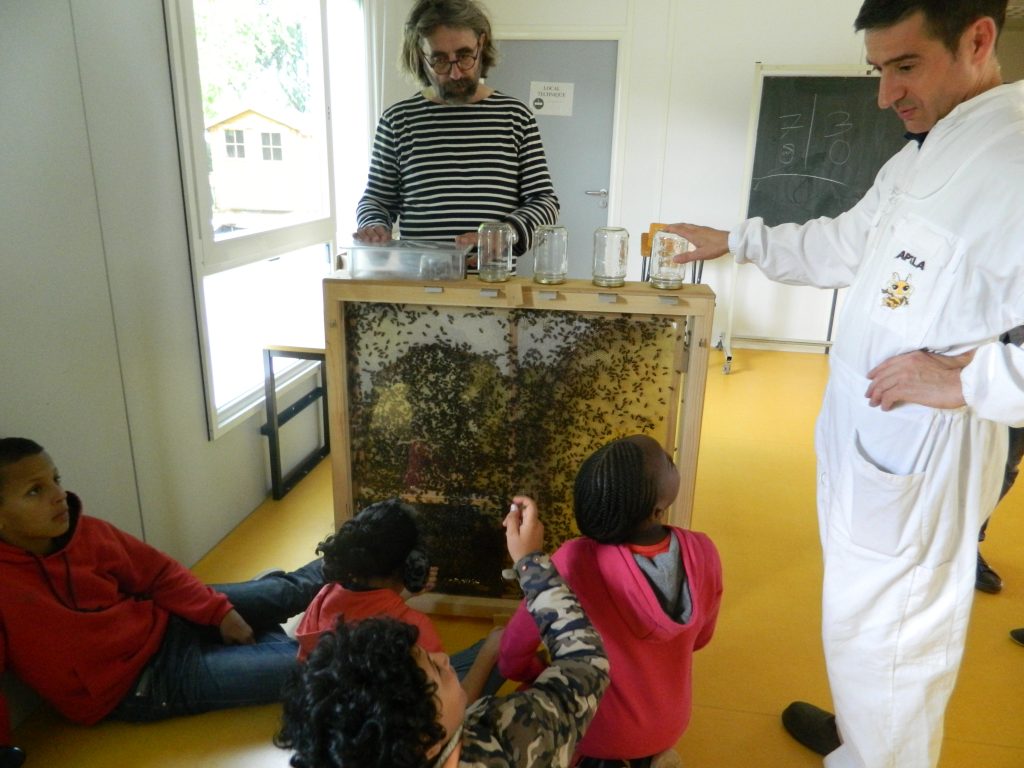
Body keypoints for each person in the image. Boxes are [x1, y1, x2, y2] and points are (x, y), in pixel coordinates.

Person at [665, 2, 1023, 766]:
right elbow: (843, 246)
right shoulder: (922, 155)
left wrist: (974, 380)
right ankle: (862, 737)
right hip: (868, 450)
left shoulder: (1016, 155)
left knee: (895, 644)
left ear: (978, 40)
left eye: (904, 67)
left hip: (921, 463)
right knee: (861, 626)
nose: (884, 95)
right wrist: (738, 240)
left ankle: (881, 756)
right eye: (878, 70)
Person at [0, 437, 324, 765]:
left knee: (286, 592)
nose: (57, 496)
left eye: (55, 480)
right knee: (313, 663)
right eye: (34, 491)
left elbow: (158, 573)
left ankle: (370, 541)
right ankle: (264, 620)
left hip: (168, 619)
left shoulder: (88, 532)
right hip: (148, 684)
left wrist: (220, 613)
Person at [275, 497, 610, 768]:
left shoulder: (324, 598)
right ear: (426, 736)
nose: (440, 657)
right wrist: (530, 563)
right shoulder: (509, 739)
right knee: (491, 647)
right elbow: (586, 665)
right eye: (435, 668)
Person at [498, 435, 723, 767]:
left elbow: (511, 657)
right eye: (669, 461)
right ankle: (651, 757)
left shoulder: (572, 559)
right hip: (669, 724)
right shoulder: (703, 551)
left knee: (523, 703)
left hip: (593, 731)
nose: (671, 456)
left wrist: (541, 673)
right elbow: (701, 638)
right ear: (658, 509)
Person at [353, 0, 559, 273]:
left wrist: (505, 233)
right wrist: (374, 225)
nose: (454, 72)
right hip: (420, 286)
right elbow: (376, 199)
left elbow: (544, 201)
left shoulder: (516, 116)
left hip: (493, 287)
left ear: (481, 44)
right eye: (439, 59)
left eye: (464, 55)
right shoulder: (397, 121)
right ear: (420, 54)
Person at [294, 498, 503, 700]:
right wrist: (489, 653)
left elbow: (366, 619)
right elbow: (445, 713)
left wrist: (400, 598)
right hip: (406, 729)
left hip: (341, 720)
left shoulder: (324, 598)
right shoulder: (414, 629)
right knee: (497, 647)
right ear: (414, 565)